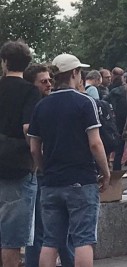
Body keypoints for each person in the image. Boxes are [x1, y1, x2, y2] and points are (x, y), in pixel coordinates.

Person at [28, 53, 111, 267]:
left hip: (52, 182)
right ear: (74, 73)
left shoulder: (41, 106)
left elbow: (35, 148)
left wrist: (45, 169)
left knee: (50, 241)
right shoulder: (85, 102)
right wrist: (106, 171)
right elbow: (95, 143)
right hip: (81, 179)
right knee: (83, 239)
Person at [0, 41, 41, 267]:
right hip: (17, 167)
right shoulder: (29, 90)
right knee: (12, 239)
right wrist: (36, 157)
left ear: (4, 62)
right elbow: (28, 128)